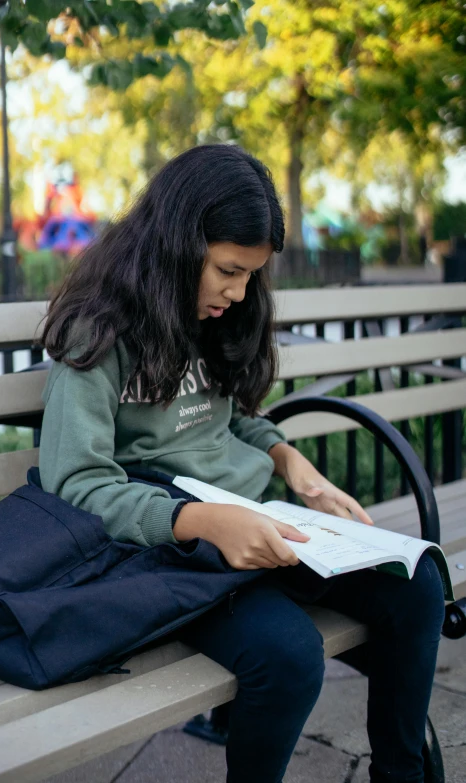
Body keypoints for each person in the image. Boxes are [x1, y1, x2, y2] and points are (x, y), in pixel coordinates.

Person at [39, 144, 444, 783]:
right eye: (229, 269)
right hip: (173, 549)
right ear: (178, 242)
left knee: (416, 585)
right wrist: (203, 522)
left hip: (262, 520)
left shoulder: (208, 312)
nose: (240, 290)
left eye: (251, 274)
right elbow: (76, 482)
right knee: (288, 654)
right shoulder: (99, 333)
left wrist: (290, 462)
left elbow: (231, 419)